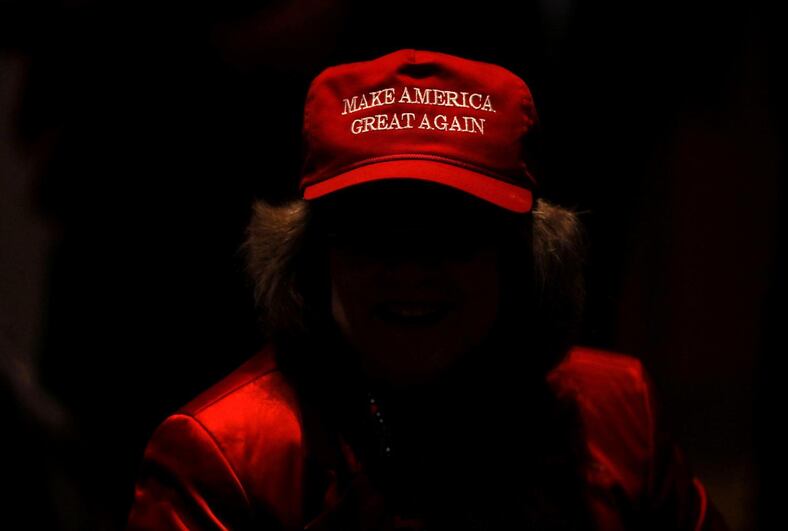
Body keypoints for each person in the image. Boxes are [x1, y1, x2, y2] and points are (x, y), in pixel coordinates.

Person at [125, 48, 730, 530]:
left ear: (523, 259)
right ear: (312, 257)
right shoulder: (224, 459)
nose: (412, 270)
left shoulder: (619, 414)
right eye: (374, 235)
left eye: (453, 234)